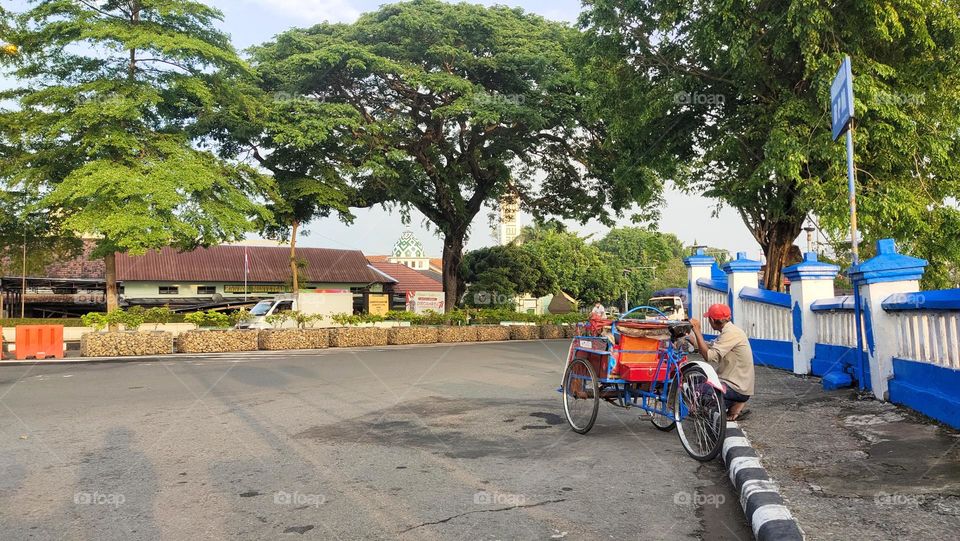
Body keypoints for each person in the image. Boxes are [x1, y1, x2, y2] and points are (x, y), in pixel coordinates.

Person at [688, 304, 754, 421]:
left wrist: (697, 331)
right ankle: (731, 405)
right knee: (692, 380)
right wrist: (690, 339)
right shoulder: (729, 331)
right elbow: (711, 346)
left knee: (696, 391)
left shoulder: (731, 333)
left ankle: (731, 407)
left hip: (735, 387)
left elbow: (709, 355)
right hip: (735, 384)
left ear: (712, 320)